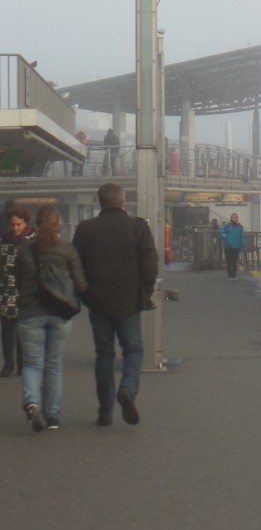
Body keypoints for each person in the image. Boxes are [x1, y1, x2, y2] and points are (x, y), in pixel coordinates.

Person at [72, 182, 159, 427]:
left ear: (100, 202)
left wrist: (85, 293)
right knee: (133, 350)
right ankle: (128, 389)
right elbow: (150, 263)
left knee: (104, 355)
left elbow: (75, 265)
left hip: (97, 302)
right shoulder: (137, 227)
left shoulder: (85, 229)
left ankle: (105, 412)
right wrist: (145, 291)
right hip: (128, 301)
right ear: (123, 202)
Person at [16, 205, 87, 432]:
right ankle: (53, 416)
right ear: (59, 226)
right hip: (59, 313)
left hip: (29, 313)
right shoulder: (67, 250)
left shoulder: (25, 251)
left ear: (36, 225)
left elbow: (18, 280)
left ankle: (32, 402)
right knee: (54, 365)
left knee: (32, 363)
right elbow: (80, 282)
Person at [1, 204, 33, 377]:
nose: (15, 228)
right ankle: (8, 363)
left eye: (19, 224)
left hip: (25, 293)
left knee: (24, 330)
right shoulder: (2, 240)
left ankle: (23, 364)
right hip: (6, 291)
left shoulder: (32, 240)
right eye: (12, 224)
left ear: (25, 223)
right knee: (7, 331)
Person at [220, 213, 245, 280]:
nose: (234, 219)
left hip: (236, 246)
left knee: (234, 261)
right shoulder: (227, 226)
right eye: (232, 217)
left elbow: (242, 236)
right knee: (229, 261)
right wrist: (225, 237)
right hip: (228, 246)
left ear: (237, 218)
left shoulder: (240, 227)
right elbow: (221, 232)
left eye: (235, 217)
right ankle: (230, 275)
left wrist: (242, 244)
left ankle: (234, 275)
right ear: (231, 218)